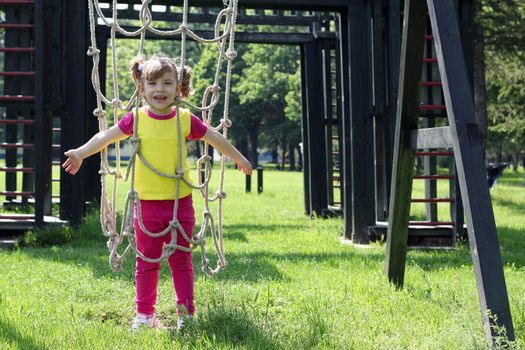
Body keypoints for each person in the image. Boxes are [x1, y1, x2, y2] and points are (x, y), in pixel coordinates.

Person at [62, 55, 252, 330]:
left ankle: (186, 315)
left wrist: (238, 157)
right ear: (141, 88)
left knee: (181, 260)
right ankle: (144, 315)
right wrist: (80, 153)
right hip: (147, 205)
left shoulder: (185, 120)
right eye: (152, 83)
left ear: (179, 88)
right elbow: (106, 136)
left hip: (180, 203)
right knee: (147, 261)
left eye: (167, 83)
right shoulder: (136, 120)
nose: (159, 89)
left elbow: (214, 136)